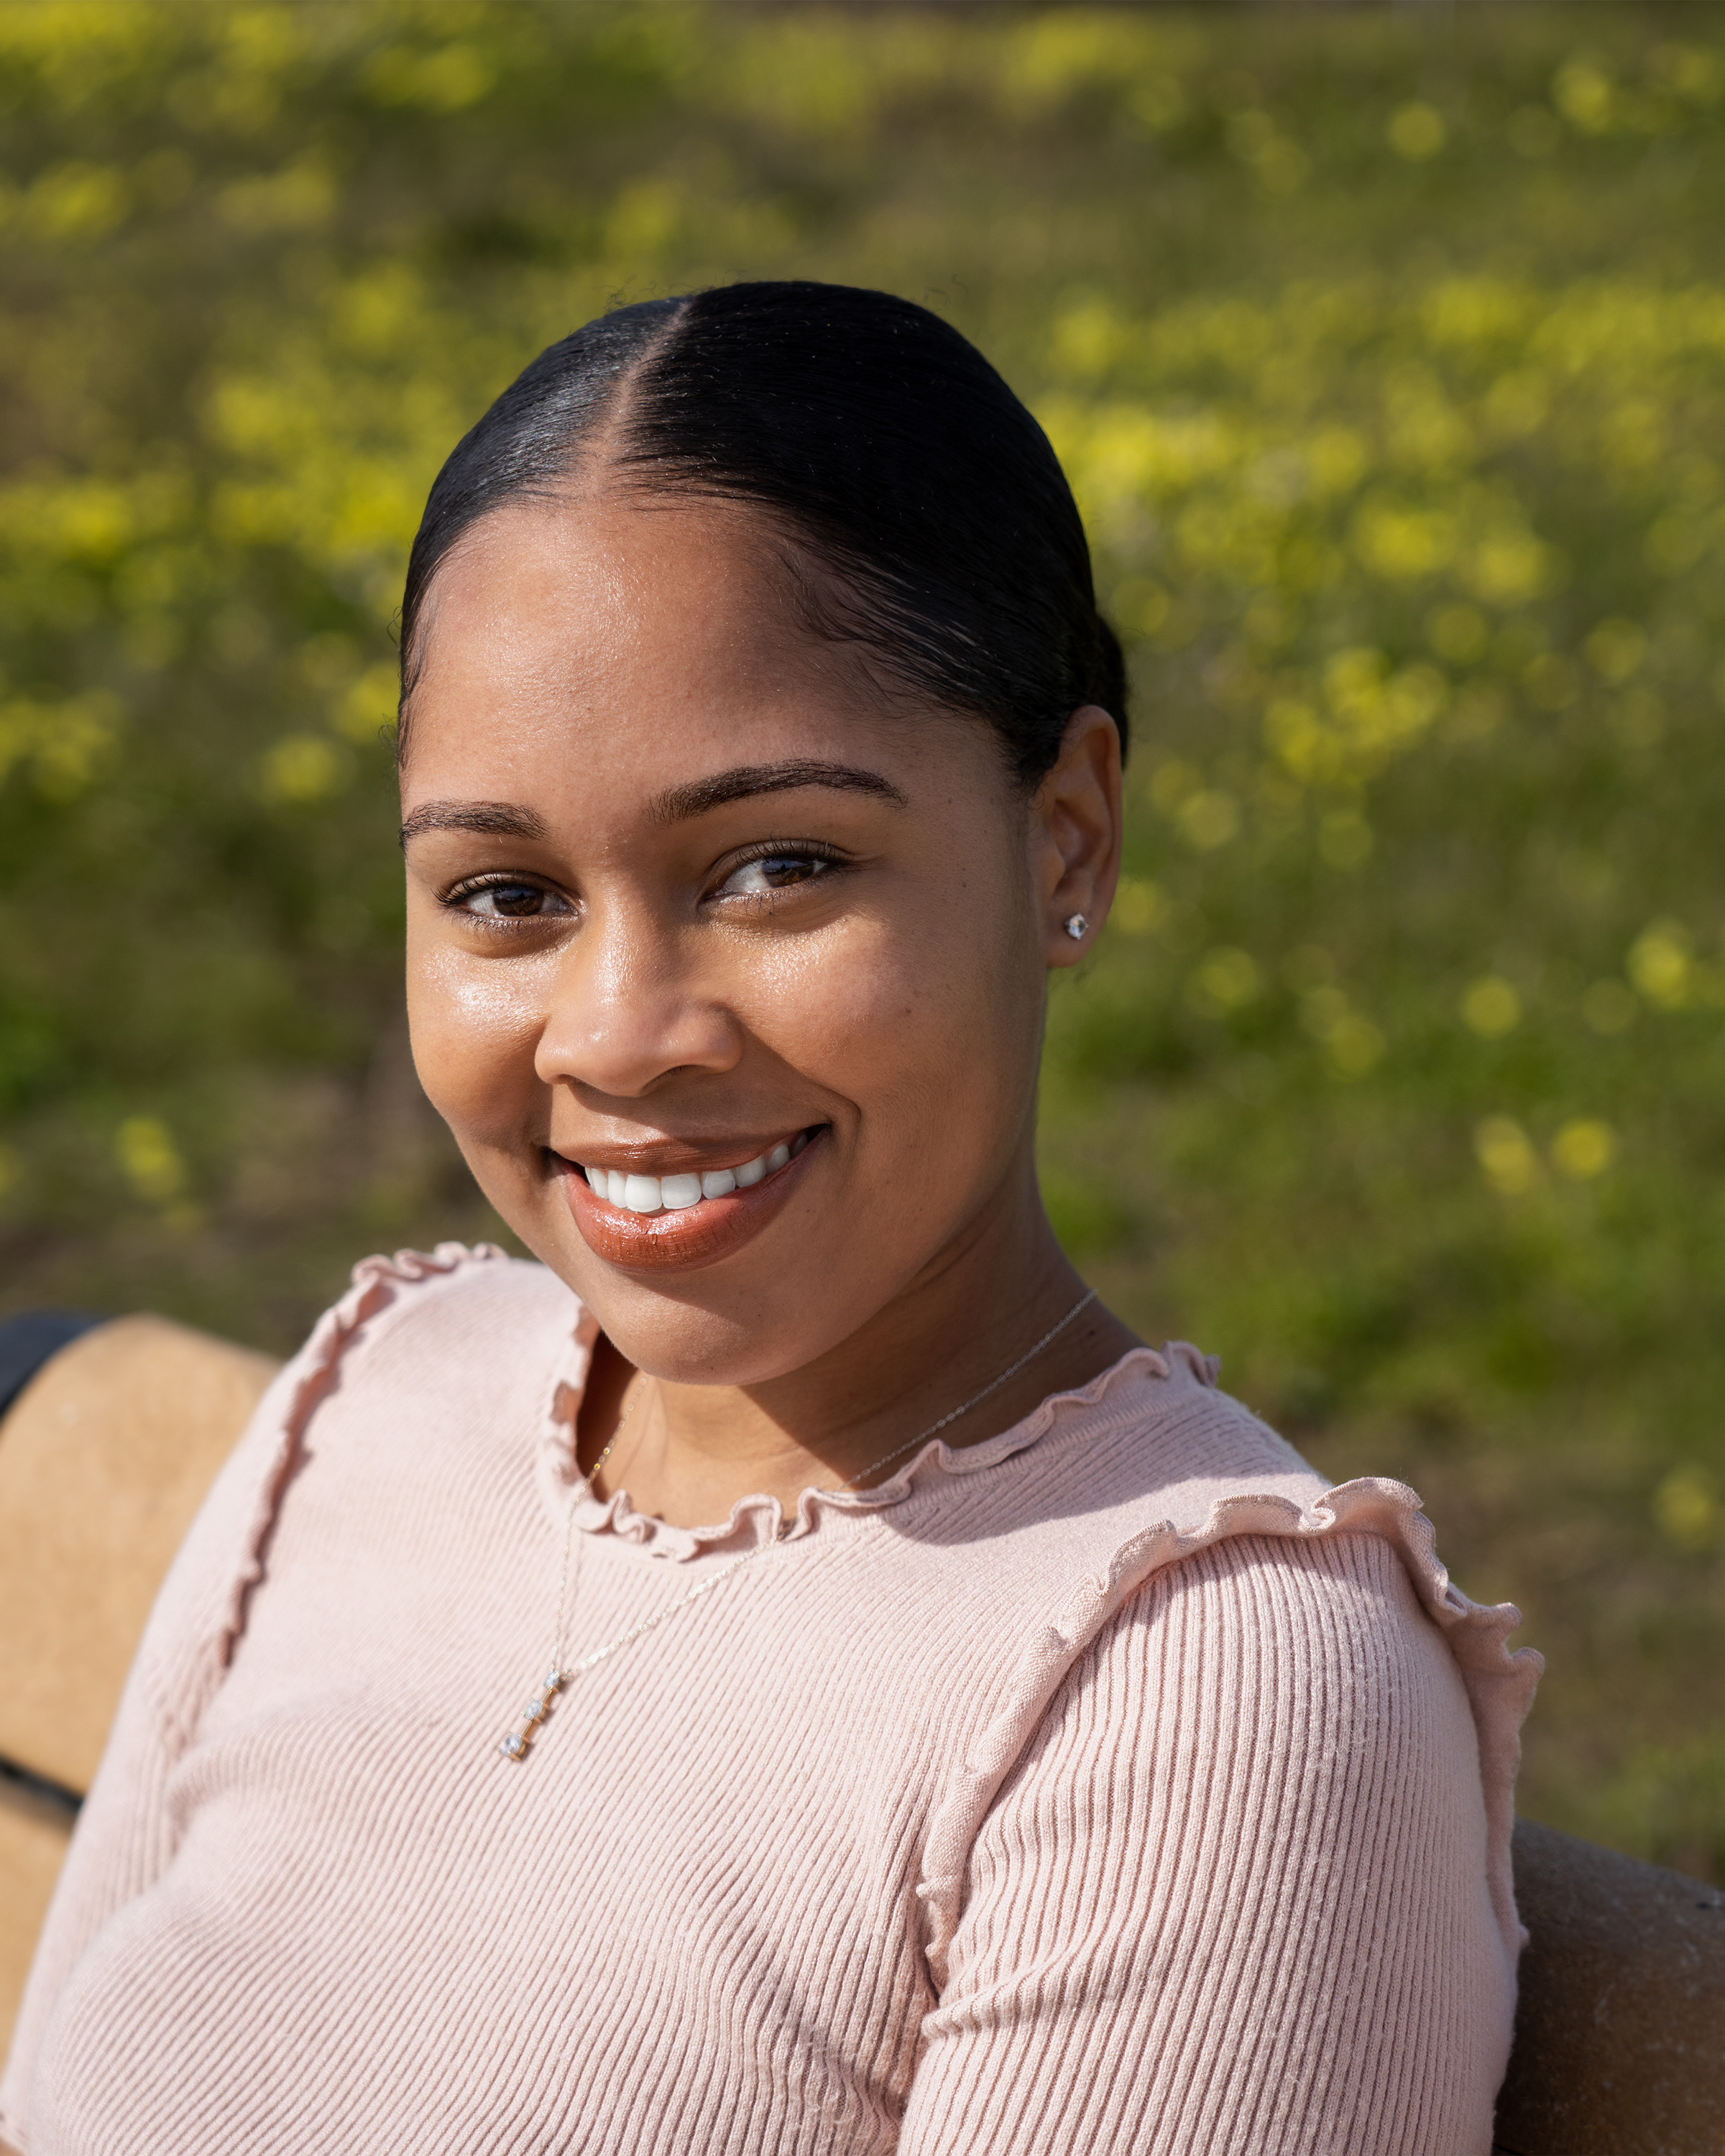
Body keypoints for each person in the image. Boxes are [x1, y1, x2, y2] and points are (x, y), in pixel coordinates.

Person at [0, 281, 1540, 2155]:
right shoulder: (379, 1402)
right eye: (503, 894)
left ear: (1067, 834)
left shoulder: (1209, 1693)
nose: (623, 1035)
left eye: (778, 866)